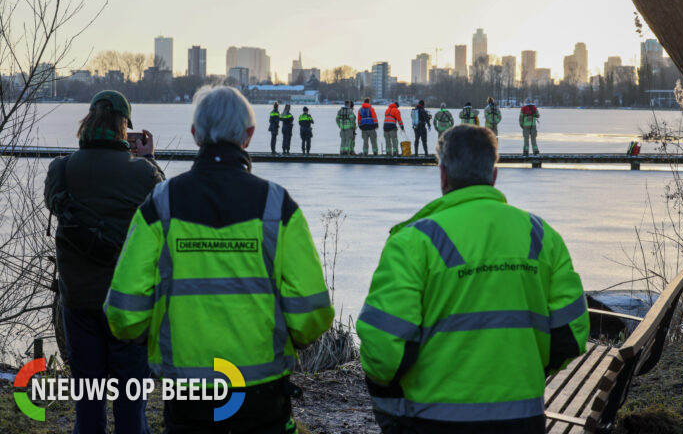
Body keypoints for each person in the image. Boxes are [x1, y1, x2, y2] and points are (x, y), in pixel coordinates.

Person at [104, 86, 334, 433]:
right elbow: (312, 311)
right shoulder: (277, 206)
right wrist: (286, 339)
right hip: (262, 388)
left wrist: (156, 337)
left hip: (187, 391)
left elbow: (124, 312)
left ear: (196, 135)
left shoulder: (160, 205)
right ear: (249, 136)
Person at [357, 125, 589, 434]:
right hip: (522, 417)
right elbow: (572, 334)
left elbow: (383, 350)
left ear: (443, 176)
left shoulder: (413, 242)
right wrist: (527, 371)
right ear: (493, 176)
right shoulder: (542, 236)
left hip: (434, 420)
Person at [44, 90, 164, 434]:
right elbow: (166, 208)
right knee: (131, 405)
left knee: (88, 403)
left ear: (88, 122)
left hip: (79, 302)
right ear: (124, 126)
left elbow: (55, 204)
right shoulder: (142, 173)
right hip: (129, 303)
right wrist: (150, 159)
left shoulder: (62, 170)